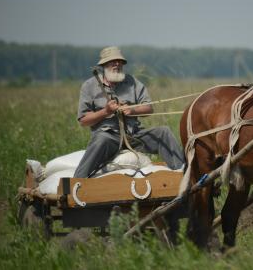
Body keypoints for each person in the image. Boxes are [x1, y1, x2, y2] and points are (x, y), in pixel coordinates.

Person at [74, 46, 185, 178]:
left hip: (134, 135)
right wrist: (106, 111)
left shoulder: (132, 82)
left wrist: (132, 110)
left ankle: (183, 173)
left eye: (120, 62)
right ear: (103, 65)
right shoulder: (89, 86)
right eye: (112, 62)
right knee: (101, 139)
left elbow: (149, 108)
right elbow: (83, 120)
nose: (117, 64)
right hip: (108, 137)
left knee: (163, 131)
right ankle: (77, 181)